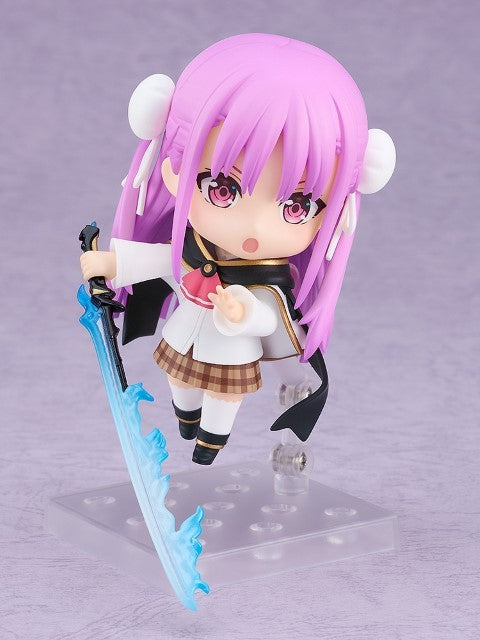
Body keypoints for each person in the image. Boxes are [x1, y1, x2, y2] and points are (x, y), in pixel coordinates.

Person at [80, 33, 395, 465]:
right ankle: (185, 417)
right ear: (174, 171)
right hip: (185, 335)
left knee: (223, 400)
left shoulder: (269, 280)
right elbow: (157, 260)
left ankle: (210, 441)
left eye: (297, 207)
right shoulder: (189, 250)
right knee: (180, 383)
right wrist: (112, 263)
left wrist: (242, 313)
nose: (255, 228)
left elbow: (269, 317)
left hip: (232, 351)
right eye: (223, 189)